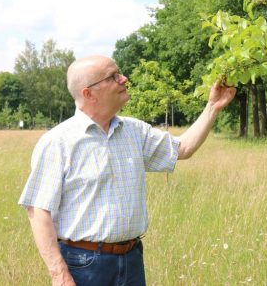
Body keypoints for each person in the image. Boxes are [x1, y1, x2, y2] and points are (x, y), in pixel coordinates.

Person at [18, 55, 236, 286]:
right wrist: (59, 274)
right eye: (113, 77)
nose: (124, 79)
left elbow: (182, 148)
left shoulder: (134, 131)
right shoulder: (58, 142)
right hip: (84, 265)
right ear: (88, 93)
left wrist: (212, 107)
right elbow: (39, 210)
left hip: (131, 259)